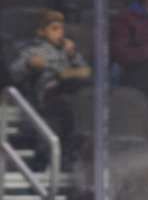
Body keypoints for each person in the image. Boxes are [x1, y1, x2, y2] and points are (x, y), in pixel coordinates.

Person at [9, 9, 91, 164]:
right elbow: (15, 72)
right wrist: (29, 64)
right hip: (47, 93)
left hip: (72, 92)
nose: (60, 33)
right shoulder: (32, 50)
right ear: (41, 31)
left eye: (61, 29)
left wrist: (73, 55)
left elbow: (85, 71)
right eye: (54, 29)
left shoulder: (69, 52)